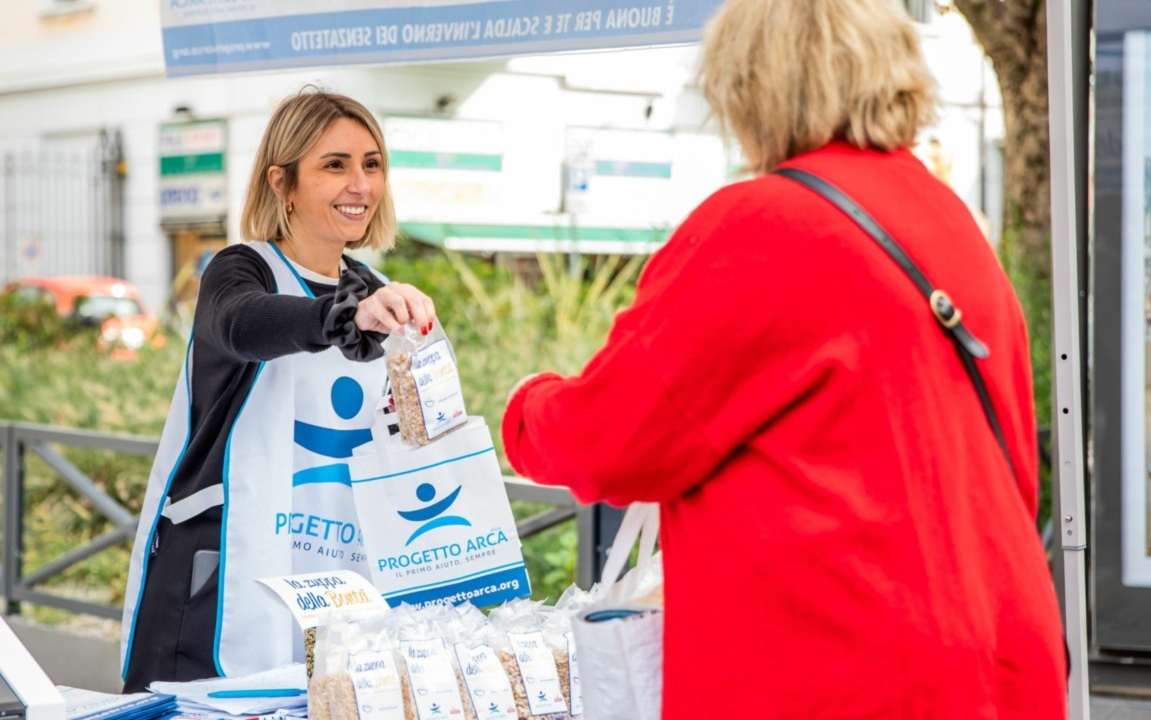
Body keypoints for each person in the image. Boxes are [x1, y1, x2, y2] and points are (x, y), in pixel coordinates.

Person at [500, 0, 1066, 717]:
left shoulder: (764, 223)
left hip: (842, 666)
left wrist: (527, 407)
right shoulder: (948, 218)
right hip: (1000, 654)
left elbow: (609, 441)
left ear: (750, 85)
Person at [120, 89, 436, 690]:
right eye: (334, 165)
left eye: (372, 164)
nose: (360, 184)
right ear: (281, 182)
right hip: (229, 576)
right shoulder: (238, 270)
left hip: (344, 587)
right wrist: (343, 319)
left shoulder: (380, 292)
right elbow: (244, 323)